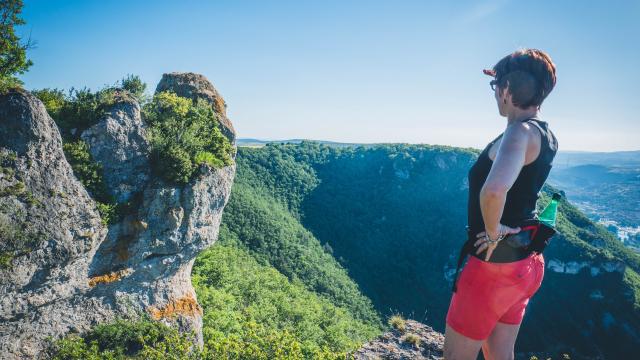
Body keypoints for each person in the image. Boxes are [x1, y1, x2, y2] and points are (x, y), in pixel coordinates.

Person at [443, 48, 559, 360]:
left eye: (497, 87)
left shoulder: (518, 132)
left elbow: (494, 191)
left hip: (492, 269)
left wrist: (492, 233)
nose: (495, 94)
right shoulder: (545, 134)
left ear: (506, 90)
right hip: (526, 264)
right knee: (500, 354)